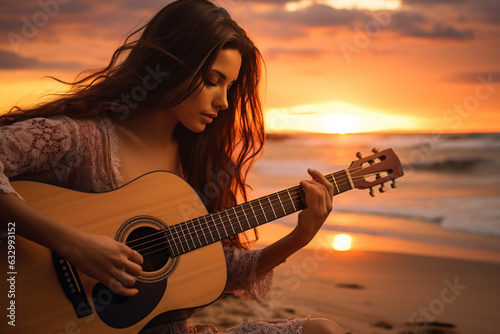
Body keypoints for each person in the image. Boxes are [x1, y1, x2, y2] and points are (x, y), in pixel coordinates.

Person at [0, 0, 343, 333]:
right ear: (172, 66)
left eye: (230, 86)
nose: (224, 101)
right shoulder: (80, 139)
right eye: (212, 79)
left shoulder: (197, 165)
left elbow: (218, 270)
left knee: (323, 331)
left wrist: (301, 235)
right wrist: (73, 245)